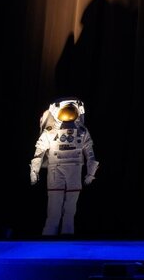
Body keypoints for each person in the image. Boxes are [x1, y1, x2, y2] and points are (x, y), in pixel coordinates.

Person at [30, 100, 98, 236]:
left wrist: (91, 174)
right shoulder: (51, 132)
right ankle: (50, 240)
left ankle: (65, 241)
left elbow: (90, 155)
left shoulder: (81, 132)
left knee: (69, 212)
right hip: (61, 171)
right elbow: (39, 153)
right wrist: (34, 171)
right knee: (56, 211)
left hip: (68, 172)